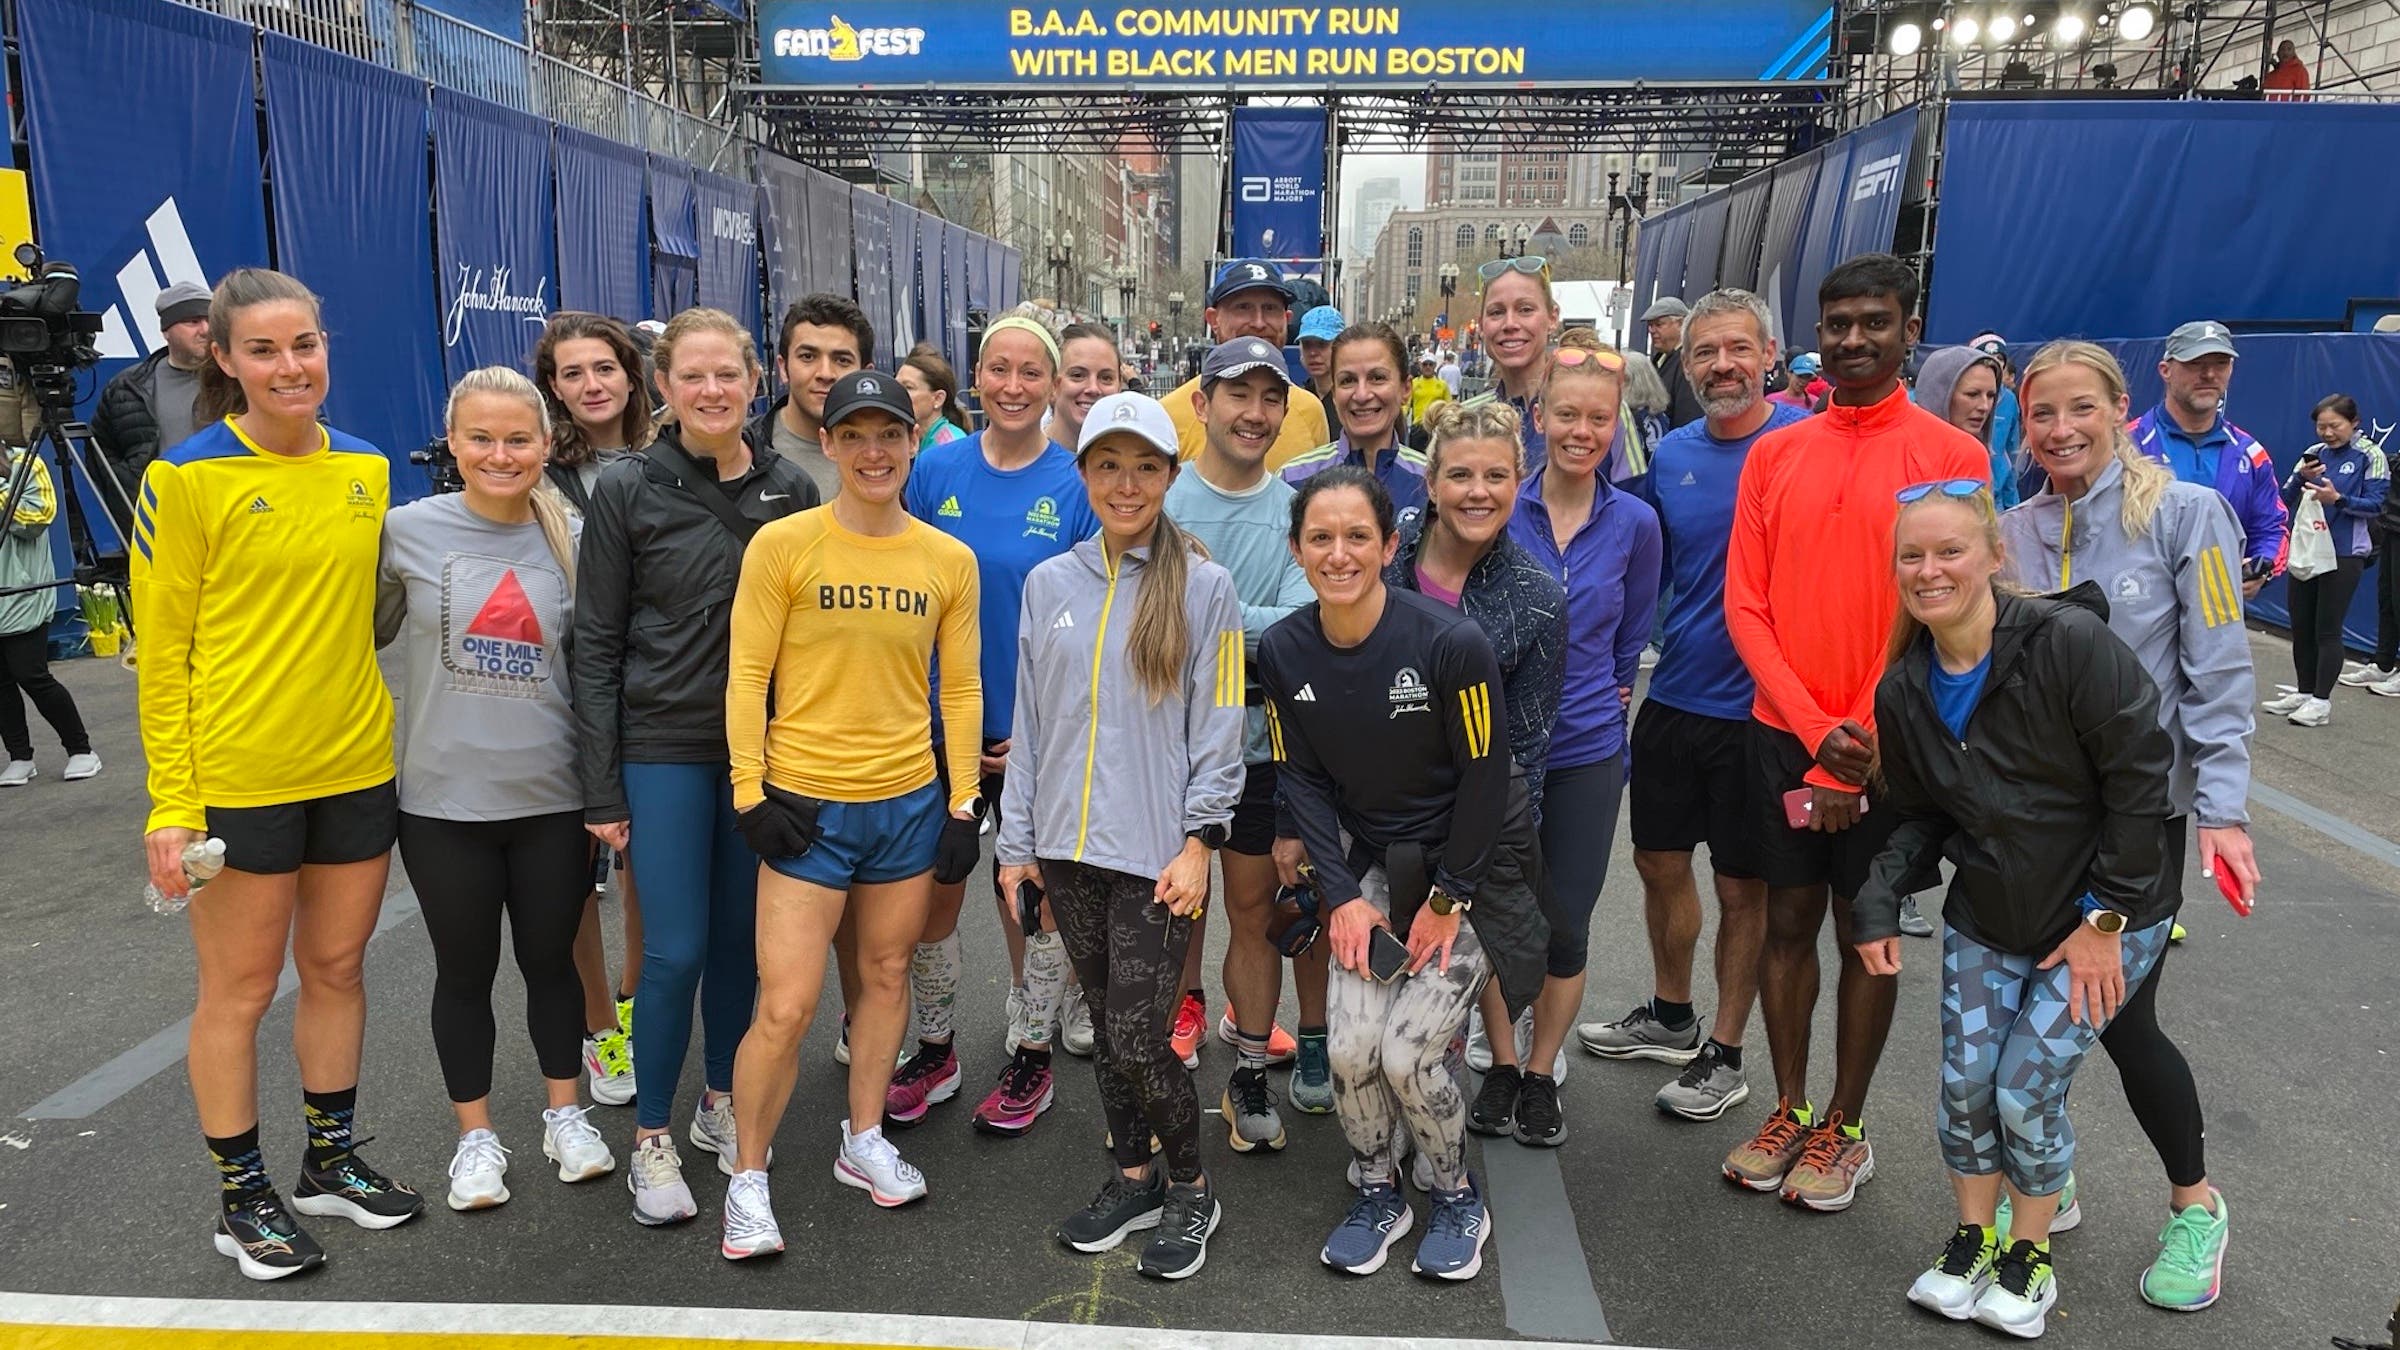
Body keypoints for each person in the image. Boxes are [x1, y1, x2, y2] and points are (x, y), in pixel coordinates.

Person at [132, 268, 422, 1280]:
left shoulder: (370, 468)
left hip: (354, 765)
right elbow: (160, 659)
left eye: (304, 344)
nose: (290, 366)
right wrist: (172, 805)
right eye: (263, 350)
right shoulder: (185, 479)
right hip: (238, 782)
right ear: (223, 358)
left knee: (339, 971)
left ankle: (329, 1163)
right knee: (241, 992)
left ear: (325, 345)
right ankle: (241, 1194)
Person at [1856, 481, 2180, 1340]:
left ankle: (2028, 1256)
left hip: (2108, 912)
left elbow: (2143, 782)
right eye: (1912, 556)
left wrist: (2105, 921)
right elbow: (1923, 814)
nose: (1930, 571)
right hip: (1991, 910)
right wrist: (1878, 899)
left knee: (2024, 1089)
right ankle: (1972, 1237)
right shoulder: (1905, 688)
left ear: (1996, 557)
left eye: (1950, 551)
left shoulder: (2070, 645)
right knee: (1964, 1086)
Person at [1720, 254, 1990, 1212]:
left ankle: (1847, 1125)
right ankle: (1790, 1107)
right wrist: (1811, 728)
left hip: (1895, 742)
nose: (1852, 339)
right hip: (1782, 735)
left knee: (1866, 929)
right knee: (1785, 925)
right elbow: (1745, 605)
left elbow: (1947, 601)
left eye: (1874, 322)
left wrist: (1866, 732)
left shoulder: (1952, 458)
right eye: (1837, 323)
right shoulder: (1775, 451)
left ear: (1908, 332)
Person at [2001, 339, 2253, 1313]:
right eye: (2041, 415)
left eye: (2079, 410)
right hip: (2039, 828)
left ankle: (2197, 1206)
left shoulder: (2190, 515)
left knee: (2119, 1020)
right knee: (2047, 1007)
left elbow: (2222, 675)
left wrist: (2224, 811)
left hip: (2141, 826)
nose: (2061, 430)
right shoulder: (2013, 530)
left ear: (2118, 408)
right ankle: (2049, 1168)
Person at [715, 369, 983, 1258]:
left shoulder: (948, 560)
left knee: (886, 975)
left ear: (916, 443)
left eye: (890, 435)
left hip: (906, 803)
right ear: (826, 444)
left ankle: (863, 1138)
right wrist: (749, 793)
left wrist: (962, 803)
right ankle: (748, 1178)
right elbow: (748, 675)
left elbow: (963, 687)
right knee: (786, 1007)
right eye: (854, 435)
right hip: (804, 805)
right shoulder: (784, 546)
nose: (874, 451)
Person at [1260, 466, 1550, 1282]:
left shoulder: (1451, 645)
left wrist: (1450, 901)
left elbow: (1490, 779)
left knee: (1408, 1058)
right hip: (1373, 870)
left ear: (1391, 546)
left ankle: (1456, 1195)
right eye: (1321, 537)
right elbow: (1302, 778)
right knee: (1351, 1051)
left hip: (1473, 868)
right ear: (1297, 550)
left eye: (1359, 536)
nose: (1339, 553)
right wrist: (1345, 898)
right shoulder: (1284, 650)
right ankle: (1377, 1187)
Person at [572, 306, 818, 1226]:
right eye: (693, 377)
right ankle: (651, 1137)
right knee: (671, 950)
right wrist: (602, 786)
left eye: (729, 375)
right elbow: (593, 645)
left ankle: (720, 1102)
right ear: (663, 388)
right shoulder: (627, 489)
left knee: (737, 949)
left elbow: (810, 636)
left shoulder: (793, 489)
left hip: (763, 752)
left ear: (757, 380)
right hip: (664, 747)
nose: (713, 392)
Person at [999, 390, 1246, 1280]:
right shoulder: (1048, 583)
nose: (1126, 482)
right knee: (1106, 1028)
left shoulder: (1208, 590)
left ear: (1170, 476)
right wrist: (1015, 847)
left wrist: (1200, 842)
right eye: (1108, 464)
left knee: (1143, 1036)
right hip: (1065, 852)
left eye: (1145, 465)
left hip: (1157, 859)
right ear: (1085, 473)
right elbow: (1032, 724)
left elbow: (1221, 725)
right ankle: (1133, 1174)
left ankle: (1191, 1188)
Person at [376, 367, 615, 1211]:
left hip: (552, 799)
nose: (500, 454)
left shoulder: (574, 539)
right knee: (464, 971)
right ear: (453, 445)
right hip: (442, 803)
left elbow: (597, 670)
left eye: (519, 439)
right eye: (481, 438)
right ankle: (475, 1138)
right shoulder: (404, 531)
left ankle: (565, 1115)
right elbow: (347, 632)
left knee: (551, 964)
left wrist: (606, 792)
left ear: (547, 446)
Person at [1582, 289, 1805, 1120]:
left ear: (1769, 355)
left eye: (1737, 349)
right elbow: (1634, 560)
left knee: (1744, 888)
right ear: (1684, 363)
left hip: (1765, 712)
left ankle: (1726, 1047)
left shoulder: (1802, 444)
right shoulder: (1670, 455)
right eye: (1705, 352)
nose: (1721, 365)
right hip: (1675, 693)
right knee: (1657, 863)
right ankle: (1671, 1016)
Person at [892, 315, 1098, 1135]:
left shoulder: (1077, 483)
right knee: (928, 904)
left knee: (1033, 902)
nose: (1012, 387)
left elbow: (1090, 618)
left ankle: (1031, 1053)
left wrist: (1044, 728)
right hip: (932, 733)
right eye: (997, 370)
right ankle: (936, 1048)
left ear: (1053, 386)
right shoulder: (932, 470)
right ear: (975, 379)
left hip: (1030, 736)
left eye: (1030, 373)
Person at [1473, 332, 1660, 1147]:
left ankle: (1544, 1072)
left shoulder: (1637, 525)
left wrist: (1600, 702)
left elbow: (1631, 641)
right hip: (1496, 746)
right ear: (1538, 417)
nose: (1582, 431)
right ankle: (1504, 1061)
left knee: (1566, 918)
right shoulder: (1500, 509)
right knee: (1491, 908)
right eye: (1567, 415)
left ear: (1616, 427)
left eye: (1600, 419)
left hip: (1586, 746)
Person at [1166, 336, 1322, 1129]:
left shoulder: (1298, 510)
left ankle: (1251, 1071)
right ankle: (1159, 1069)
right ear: (1202, 403)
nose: (1255, 413)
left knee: (1255, 910)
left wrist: (1201, 604)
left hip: (1263, 744)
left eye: (1271, 398)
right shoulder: (1158, 497)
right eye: (1239, 394)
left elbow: (1299, 627)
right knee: (1167, 911)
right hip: (1166, 746)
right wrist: (1243, 626)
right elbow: (1137, 623)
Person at [531, 311, 654, 1108]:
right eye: (571, 375)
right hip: (555, 694)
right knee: (572, 877)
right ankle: (600, 1026)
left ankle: (640, 1010)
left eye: (603, 369)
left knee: (646, 868)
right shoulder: (536, 468)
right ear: (551, 389)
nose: (590, 386)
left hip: (647, 690)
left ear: (632, 375)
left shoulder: (668, 459)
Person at [2130, 321, 2286, 599]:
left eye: (2220, 363)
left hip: (2218, 613)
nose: (2209, 374)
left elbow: (2271, 526)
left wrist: (2262, 566)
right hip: (2138, 609)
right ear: (2165, 370)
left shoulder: (2250, 453)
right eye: (2195, 363)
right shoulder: (2125, 444)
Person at [2271, 394, 2388, 725]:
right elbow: (2283, 499)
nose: (2327, 433)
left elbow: (2377, 504)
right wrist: (2300, 477)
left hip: (2344, 552)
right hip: (2307, 550)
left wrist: (2338, 499)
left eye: (2334, 426)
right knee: (2301, 625)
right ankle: (2304, 692)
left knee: (2327, 629)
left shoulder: (2370, 455)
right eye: (2321, 426)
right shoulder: (2314, 454)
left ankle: (2321, 703)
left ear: (2354, 423)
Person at [1164, 260, 1331, 472]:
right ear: (1213, 319)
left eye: (1270, 308)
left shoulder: (1310, 412)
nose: (1259, 323)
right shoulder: (1170, 415)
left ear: (1286, 319)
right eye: (1243, 308)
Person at [0, 440, 98, 786]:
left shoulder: (25, 464)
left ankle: (81, 750)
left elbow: (37, 517)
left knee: (32, 675)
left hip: (21, 592)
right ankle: (20, 757)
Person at [1278, 322, 1430, 517]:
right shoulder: (1293, 479)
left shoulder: (1430, 481)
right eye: (1347, 380)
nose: (1362, 395)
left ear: (1405, 389)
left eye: (1377, 377)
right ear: (1334, 394)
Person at [93, 280, 214, 518]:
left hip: (227, 514)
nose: (206, 329)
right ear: (166, 330)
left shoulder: (239, 380)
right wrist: (126, 489)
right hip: (159, 519)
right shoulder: (128, 386)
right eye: (193, 321)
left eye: (210, 320)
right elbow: (101, 451)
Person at [745, 293, 873, 500]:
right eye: (808, 357)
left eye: (842, 360)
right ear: (783, 368)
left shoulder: (894, 459)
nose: (825, 373)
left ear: (865, 374)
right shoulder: (740, 448)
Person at [1917, 346, 2011, 509]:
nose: (1985, 406)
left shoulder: (1988, 457)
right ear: (1939, 394)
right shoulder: (1901, 452)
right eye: (1972, 394)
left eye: (1991, 396)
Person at [1047, 322, 1125, 459]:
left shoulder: (1141, 466)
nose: (1093, 388)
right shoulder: (1018, 461)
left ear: (1119, 386)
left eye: (1106, 378)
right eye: (1077, 375)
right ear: (1053, 385)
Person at [1967, 334, 2029, 500]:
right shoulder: (1957, 395)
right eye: (1986, 358)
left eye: (1999, 358)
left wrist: (2012, 501)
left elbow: (2012, 448)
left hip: (1998, 496)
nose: (1994, 363)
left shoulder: (2009, 400)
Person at [1643, 297, 1707, 431]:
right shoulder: (1660, 359)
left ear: (1681, 324)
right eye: (1650, 325)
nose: (1652, 330)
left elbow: (1688, 414)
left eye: (1659, 324)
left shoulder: (1688, 363)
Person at [897, 347, 970, 450]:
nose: (898, 393)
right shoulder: (918, 439)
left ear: (938, 399)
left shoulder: (951, 446)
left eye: (909, 387)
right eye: (897, 386)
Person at [1297, 304, 1346, 403]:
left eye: (1322, 344)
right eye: (1307, 344)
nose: (1313, 353)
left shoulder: (1352, 397)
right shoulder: (1296, 400)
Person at [1408, 356, 1451, 427]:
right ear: (1421, 366)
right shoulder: (1414, 383)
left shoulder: (1443, 385)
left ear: (1434, 366)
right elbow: (1406, 405)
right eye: (1425, 364)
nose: (1428, 367)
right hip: (1418, 425)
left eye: (1430, 364)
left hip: (1436, 426)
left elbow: (1449, 406)